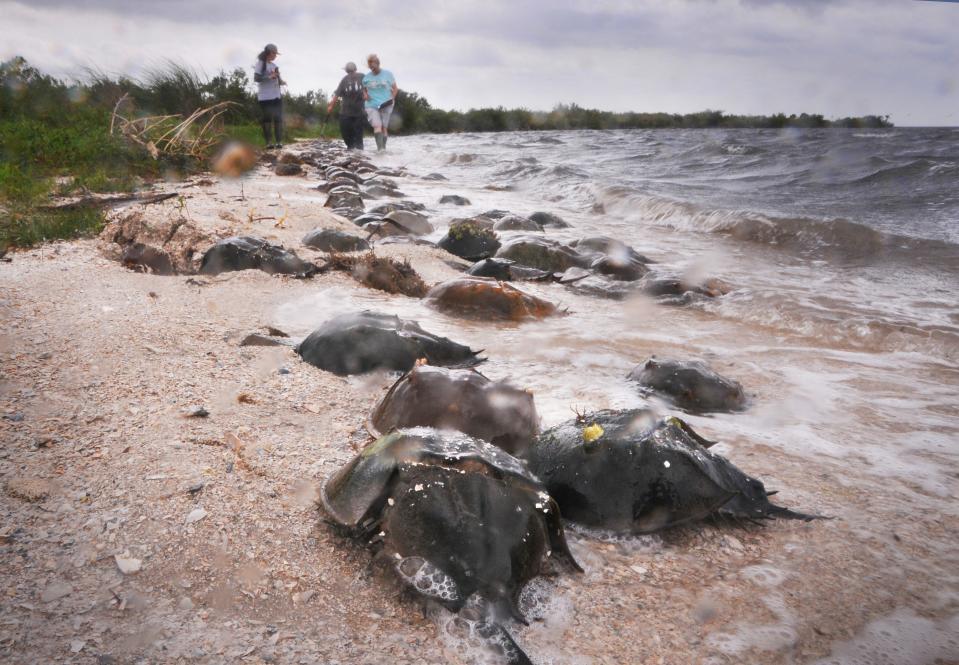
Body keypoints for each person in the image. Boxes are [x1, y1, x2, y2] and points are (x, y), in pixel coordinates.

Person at [327, 62, 366, 150]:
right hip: (349, 112)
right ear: (355, 68)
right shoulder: (346, 79)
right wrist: (331, 106)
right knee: (354, 136)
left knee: (349, 135)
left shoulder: (362, 77)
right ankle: (356, 154)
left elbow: (336, 95)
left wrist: (331, 106)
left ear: (347, 70)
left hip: (354, 113)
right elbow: (337, 94)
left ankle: (355, 153)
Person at [362, 54, 397, 151]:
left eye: (373, 66)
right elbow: (364, 89)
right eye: (370, 67)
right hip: (371, 105)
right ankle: (380, 150)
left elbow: (395, 89)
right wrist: (365, 94)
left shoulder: (388, 74)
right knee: (377, 126)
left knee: (384, 128)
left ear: (378, 63)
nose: (372, 69)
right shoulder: (366, 78)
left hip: (386, 104)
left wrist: (392, 98)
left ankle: (383, 149)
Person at [253, 43, 285, 149]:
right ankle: (269, 143)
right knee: (267, 119)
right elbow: (256, 78)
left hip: (276, 96)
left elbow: (277, 79)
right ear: (268, 52)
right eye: (274, 53)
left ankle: (279, 142)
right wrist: (269, 77)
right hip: (265, 97)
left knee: (278, 119)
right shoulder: (260, 64)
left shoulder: (275, 66)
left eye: (276, 54)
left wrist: (281, 81)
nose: (275, 55)